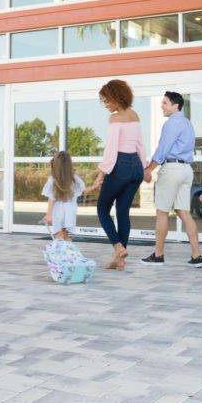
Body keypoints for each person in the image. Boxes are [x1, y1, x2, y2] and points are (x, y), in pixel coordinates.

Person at [140, 92, 202, 267]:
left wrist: (149, 169)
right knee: (184, 212)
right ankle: (196, 255)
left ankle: (158, 255)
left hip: (172, 169)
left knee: (162, 212)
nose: (162, 106)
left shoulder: (172, 123)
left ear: (175, 106)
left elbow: (163, 149)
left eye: (165, 103)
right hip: (186, 170)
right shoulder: (188, 123)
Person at [91, 79, 147, 270]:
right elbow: (140, 144)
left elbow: (111, 149)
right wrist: (144, 167)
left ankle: (117, 246)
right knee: (123, 212)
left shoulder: (115, 118)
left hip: (120, 165)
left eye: (107, 100)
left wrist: (101, 174)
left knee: (102, 208)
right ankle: (120, 260)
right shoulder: (135, 115)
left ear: (116, 97)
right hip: (136, 167)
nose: (106, 105)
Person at [42, 151, 84, 241]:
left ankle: (62, 253)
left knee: (59, 237)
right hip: (70, 211)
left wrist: (49, 214)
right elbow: (81, 190)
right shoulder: (74, 178)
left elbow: (51, 198)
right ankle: (68, 253)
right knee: (66, 236)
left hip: (58, 211)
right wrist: (95, 187)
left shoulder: (53, 180)